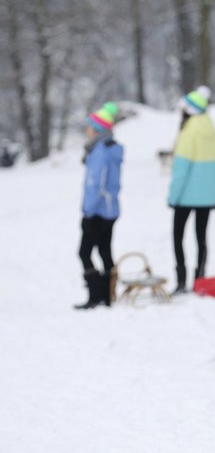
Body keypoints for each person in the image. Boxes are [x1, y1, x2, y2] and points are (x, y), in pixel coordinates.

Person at [168, 85, 215, 294]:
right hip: (208, 197)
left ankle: (181, 281)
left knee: (178, 237)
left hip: (185, 197)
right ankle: (199, 279)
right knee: (201, 238)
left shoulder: (188, 132)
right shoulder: (212, 132)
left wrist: (173, 197)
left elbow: (180, 171)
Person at [75, 102, 123, 310]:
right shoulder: (111, 148)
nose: (86, 130)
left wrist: (89, 209)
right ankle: (108, 294)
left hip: (97, 211)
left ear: (97, 129)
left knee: (84, 252)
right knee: (104, 250)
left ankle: (96, 295)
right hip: (111, 210)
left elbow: (96, 183)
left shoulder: (100, 151)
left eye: (89, 126)